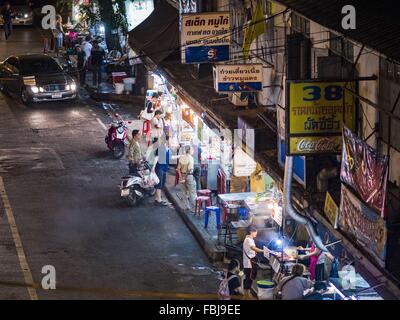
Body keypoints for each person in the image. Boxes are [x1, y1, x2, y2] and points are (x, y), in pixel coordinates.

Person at [242, 225, 264, 299]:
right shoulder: (248, 240)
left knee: (249, 279)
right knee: (248, 279)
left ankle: (247, 294)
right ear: (251, 232)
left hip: (249, 262)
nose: (256, 233)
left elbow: (251, 250)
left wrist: (255, 252)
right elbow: (252, 247)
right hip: (249, 264)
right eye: (255, 231)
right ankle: (246, 295)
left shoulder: (250, 239)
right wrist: (262, 251)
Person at [177, 145, 197, 211]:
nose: (193, 151)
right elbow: (189, 170)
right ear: (189, 150)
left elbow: (178, 168)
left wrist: (181, 177)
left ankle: (187, 206)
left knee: (184, 192)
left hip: (182, 176)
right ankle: (195, 207)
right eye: (192, 149)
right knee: (192, 192)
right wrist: (185, 178)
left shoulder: (181, 157)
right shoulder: (191, 158)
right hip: (189, 176)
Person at [153, 137, 169, 206]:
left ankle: (157, 198)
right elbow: (156, 158)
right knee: (159, 184)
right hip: (159, 168)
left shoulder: (165, 148)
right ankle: (159, 200)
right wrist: (153, 168)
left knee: (161, 183)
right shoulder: (160, 148)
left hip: (164, 168)